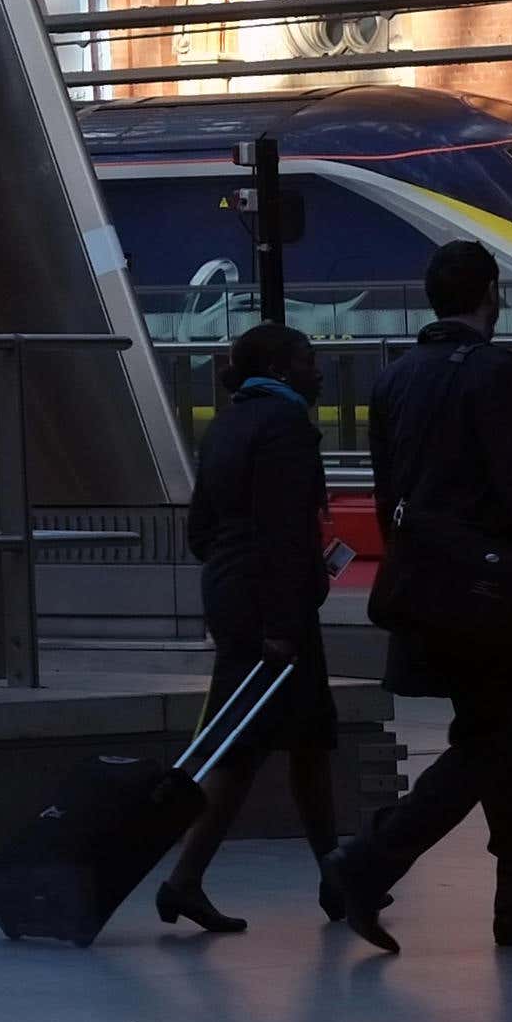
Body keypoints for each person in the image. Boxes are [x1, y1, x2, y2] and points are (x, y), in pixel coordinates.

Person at [320, 240, 512, 952]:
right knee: (492, 742)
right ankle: (372, 858)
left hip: (426, 589)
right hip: (493, 597)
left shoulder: (396, 379)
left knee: (509, 736)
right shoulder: (496, 377)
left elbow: (390, 498)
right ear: (491, 294)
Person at [153, 321, 339, 934]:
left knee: (296, 741)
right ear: (285, 369)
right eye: (309, 361)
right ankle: (184, 880)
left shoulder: (228, 423)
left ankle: (334, 875)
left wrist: (233, 585)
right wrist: (284, 622)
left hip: (235, 597)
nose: (318, 372)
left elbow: (202, 529)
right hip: (275, 611)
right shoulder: (285, 426)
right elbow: (286, 531)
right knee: (251, 749)